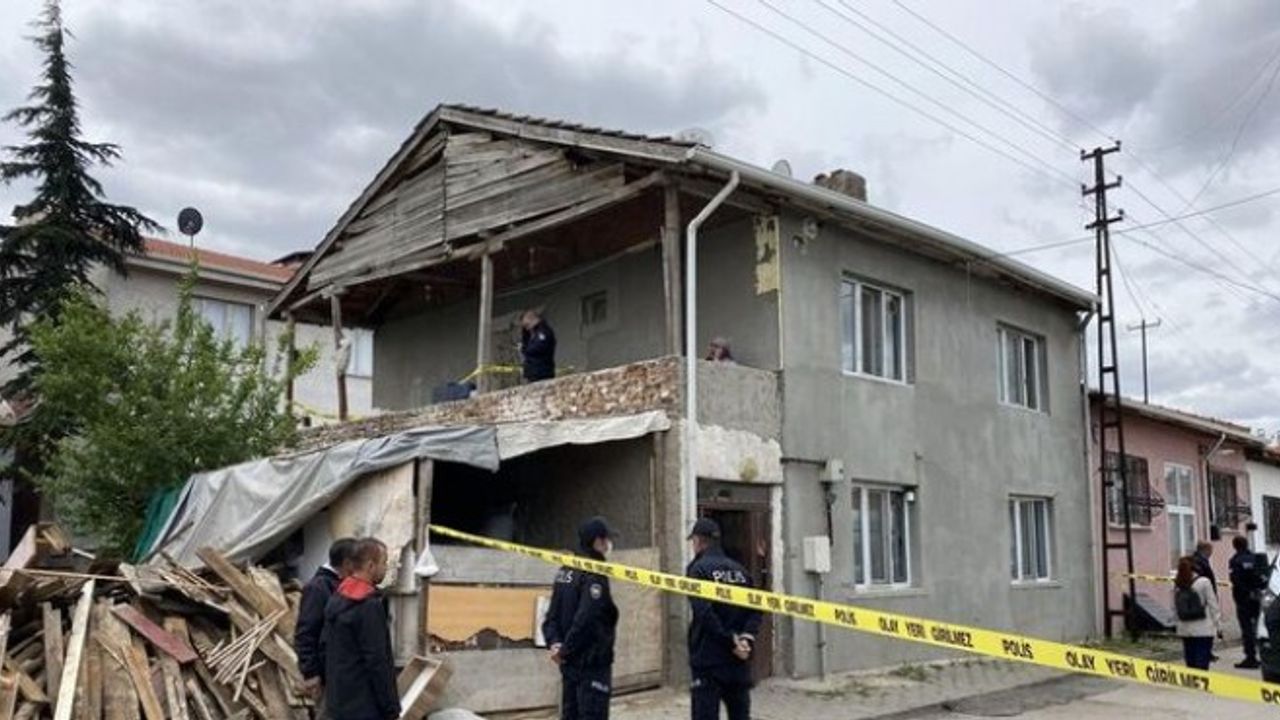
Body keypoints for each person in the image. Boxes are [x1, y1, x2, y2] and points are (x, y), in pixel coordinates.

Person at [542, 517, 619, 720]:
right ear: (597, 542)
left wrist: (555, 644)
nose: (609, 545)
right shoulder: (594, 573)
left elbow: (551, 617)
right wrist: (565, 649)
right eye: (606, 540)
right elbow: (586, 620)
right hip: (591, 665)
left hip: (569, 664)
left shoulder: (565, 571)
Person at [686, 518, 762, 720]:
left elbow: (704, 613)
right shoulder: (741, 571)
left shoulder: (698, 570)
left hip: (708, 659)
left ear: (698, 541)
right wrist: (746, 638)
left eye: (693, 541)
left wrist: (729, 640)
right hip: (738, 661)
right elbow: (757, 608)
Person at [323, 538, 400, 720]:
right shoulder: (368, 605)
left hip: (339, 702)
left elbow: (324, 647)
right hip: (365, 707)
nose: (386, 568)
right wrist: (391, 708)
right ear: (370, 566)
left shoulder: (337, 596)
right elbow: (377, 661)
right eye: (384, 563)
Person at [295, 537, 357, 712]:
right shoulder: (319, 587)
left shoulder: (338, 584)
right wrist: (311, 672)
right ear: (347, 563)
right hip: (326, 676)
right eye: (358, 563)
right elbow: (306, 633)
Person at [1174, 555, 1221, 671]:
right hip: (1203, 628)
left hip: (1185, 628)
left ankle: (1192, 680)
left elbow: (1176, 606)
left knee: (1190, 660)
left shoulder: (1178, 583)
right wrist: (1218, 625)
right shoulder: (1204, 582)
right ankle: (1201, 681)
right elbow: (1213, 605)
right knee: (1202, 660)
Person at [1229, 535, 1269, 669]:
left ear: (1235, 546)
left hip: (1243, 599)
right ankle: (1263, 655)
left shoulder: (1235, 560)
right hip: (1257, 597)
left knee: (1246, 629)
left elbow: (1235, 580)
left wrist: (1246, 592)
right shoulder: (1256, 558)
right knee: (1258, 627)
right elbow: (1263, 576)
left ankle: (1250, 657)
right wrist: (1256, 590)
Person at [520, 310, 557, 383]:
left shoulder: (543, 331)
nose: (527, 328)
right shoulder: (531, 334)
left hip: (542, 372)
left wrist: (524, 349)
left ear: (533, 319)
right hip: (533, 372)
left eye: (527, 325)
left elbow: (539, 347)